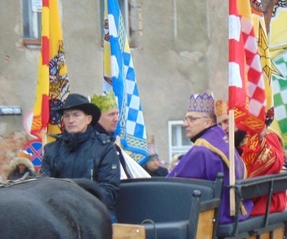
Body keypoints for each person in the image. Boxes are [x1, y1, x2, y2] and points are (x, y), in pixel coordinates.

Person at [168, 92, 252, 224]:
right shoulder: (222, 141)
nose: (186, 124)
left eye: (192, 119)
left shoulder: (202, 150)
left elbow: (171, 185)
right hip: (234, 213)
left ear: (208, 122)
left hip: (215, 218)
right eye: (186, 119)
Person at [40, 93, 122, 221]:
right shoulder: (52, 150)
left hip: (96, 214)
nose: (70, 120)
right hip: (59, 214)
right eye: (66, 116)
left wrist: (77, 203)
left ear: (88, 119)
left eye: (76, 115)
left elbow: (108, 191)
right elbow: (43, 187)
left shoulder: (105, 147)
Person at [90, 92, 150, 180]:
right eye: (111, 114)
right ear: (97, 118)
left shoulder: (111, 142)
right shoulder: (94, 143)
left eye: (117, 114)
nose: (116, 119)